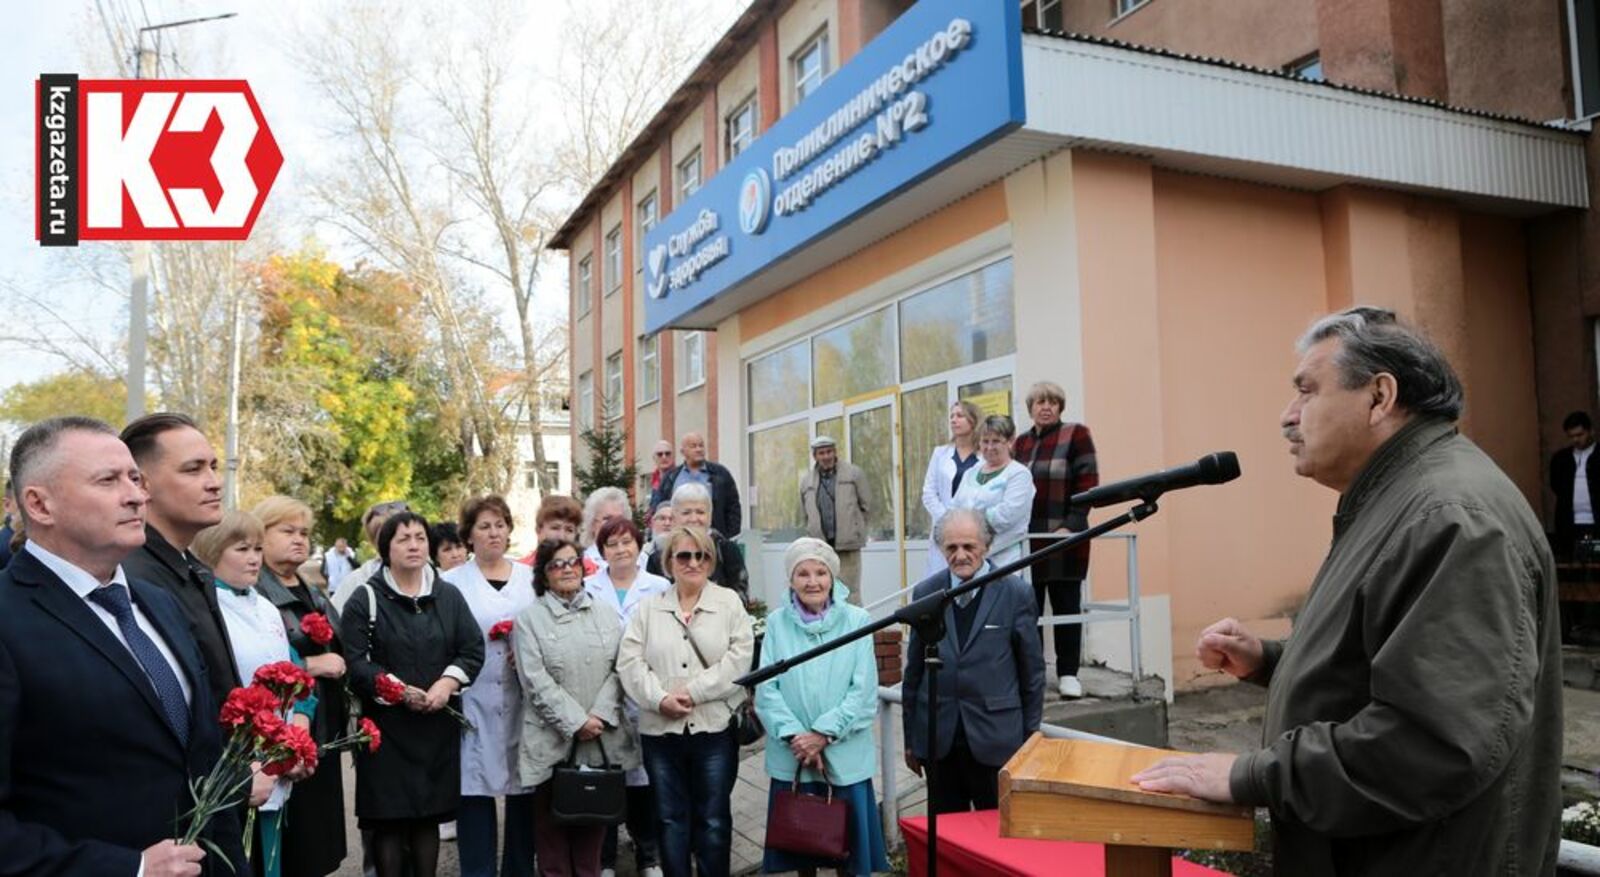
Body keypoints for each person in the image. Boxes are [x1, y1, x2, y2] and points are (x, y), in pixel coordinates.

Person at [1132, 307, 1562, 874]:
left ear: (1379, 397)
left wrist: (1251, 775)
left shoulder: (1451, 518)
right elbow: (1386, 660)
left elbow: (1431, 745)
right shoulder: (1399, 496)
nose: (1288, 417)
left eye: (1306, 392)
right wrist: (1273, 661)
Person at [0, 416, 244, 876]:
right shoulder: (8, 620)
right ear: (40, 504)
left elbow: (201, 761)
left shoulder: (158, 604)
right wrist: (128, 868)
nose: (136, 495)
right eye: (108, 480)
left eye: (135, 477)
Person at [341, 511, 486, 877]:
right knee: (389, 821)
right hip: (385, 730)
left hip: (434, 726)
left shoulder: (448, 596)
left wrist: (445, 685)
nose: (414, 545)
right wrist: (398, 690)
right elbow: (356, 662)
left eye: (420, 537)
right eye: (403, 538)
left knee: (427, 818)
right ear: (385, 548)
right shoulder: (366, 598)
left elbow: (471, 649)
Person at [618, 525, 754, 877]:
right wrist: (659, 698)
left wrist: (693, 692)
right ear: (669, 562)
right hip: (660, 733)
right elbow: (630, 663)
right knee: (669, 819)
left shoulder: (729, 604)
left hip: (713, 729)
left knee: (713, 820)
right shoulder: (648, 609)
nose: (693, 562)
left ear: (710, 560)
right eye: (684, 555)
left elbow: (738, 659)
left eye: (701, 555)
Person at [192, 510, 320, 877]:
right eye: (241, 548)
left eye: (258, 548)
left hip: (277, 762)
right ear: (212, 551)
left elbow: (295, 676)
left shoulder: (265, 606)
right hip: (235, 766)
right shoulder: (206, 609)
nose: (253, 558)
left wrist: (297, 733)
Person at [754, 539, 890, 877]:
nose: (812, 581)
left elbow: (862, 691)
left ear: (832, 577)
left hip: (843, 752)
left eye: (820, 572)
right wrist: (796, 737)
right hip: (794, 753)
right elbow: (766, 689)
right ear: (791, 579)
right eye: (802, 573)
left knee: (850, 852)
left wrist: (822, 733)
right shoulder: (776, 623)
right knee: (802, 844)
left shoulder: (857, 620)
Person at [515, 537, 644, 877]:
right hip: (551, 744)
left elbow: (622, 667)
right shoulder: (529, 619)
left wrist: (599, 715)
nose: (567, 568)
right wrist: (576, 721)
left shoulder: (604, 612)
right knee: (552, 845)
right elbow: (534, 681)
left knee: (592, 844)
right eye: (557, 564)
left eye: (573, 561)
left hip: (600, 742)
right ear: (544, 574)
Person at [902, 508, 1044, 814]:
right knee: (946, 841)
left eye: (969, 546)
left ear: (987, 546)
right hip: (939, 741)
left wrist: (1031, 738)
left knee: (995, 837)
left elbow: (1032, 673)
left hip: (996, 740)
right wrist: (910, 740)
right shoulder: (927, 593)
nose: (961, 555)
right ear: (942, 549)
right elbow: (913, 671)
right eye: (951, 548)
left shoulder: (1016, 593)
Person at [252, 495, 350, 877]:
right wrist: (312, 665)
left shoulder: (309, 585)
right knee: (292, 845)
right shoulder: (255, 587)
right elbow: (255, 658)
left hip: (322, 727)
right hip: (286, 729)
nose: (299, 539)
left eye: (305, 533)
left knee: (318, 842)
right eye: (287, 531)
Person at [441, 496, 538, 877]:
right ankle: (477, 870)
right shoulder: (451, 583)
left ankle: (519, 869)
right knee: (474, 789)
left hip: (523, 698)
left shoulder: (530, 579)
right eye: (484, 526)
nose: (493, 533)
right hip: (472, 698)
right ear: (469, 535)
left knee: (523, 790)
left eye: (500, 524)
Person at [119, 412, 240, 710]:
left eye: (213, 467)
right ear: (141, 485)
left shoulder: (188, 564)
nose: (214, 483)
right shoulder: (129, 577)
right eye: (192, 470)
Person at [582, 517, 671, 877]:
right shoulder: (588, 587)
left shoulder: (659, 586)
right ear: (601, 551)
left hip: (645, 694)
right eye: (612, 544)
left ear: (639, 545)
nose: (621, 550)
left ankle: (647, 856)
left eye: (627, 542)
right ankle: (603, 860)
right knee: (606, 778)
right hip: (600, 693)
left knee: (644, 782)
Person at [1012, 381, 1100, 699]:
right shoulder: (1019, 443)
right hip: (1027, 542)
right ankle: (1033, 672)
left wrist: (1072, 524)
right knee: (1028, 611)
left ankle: (1067, 674)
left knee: (1065, 608)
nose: (1046, 407)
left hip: (1064, 540)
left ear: (1060, 407)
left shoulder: (1076, 434)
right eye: (1039, 402)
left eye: (1052, 402)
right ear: (1031, 407)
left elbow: (1088, 482)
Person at [949, 415, 1036, 567]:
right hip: (970, 560)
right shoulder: (971, 473)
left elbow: (1006, 515)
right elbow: (954, 509)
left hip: (1005, 560)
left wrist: (968, 521)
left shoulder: (1019, 474)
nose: (989, 447)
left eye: (996, 441)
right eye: (985, 441)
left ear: (1010, 442)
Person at [644, 483, 748, 602]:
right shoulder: (659, 555)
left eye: (700, 512)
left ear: (709, 516)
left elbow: (740, 599)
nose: (694, 519)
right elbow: (653, 601)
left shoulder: (727, 551)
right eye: (686, 512)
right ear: (674, 517)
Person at [798, 436, 871, 605]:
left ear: (835, 452)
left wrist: (855, 529)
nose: (826, 456)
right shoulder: (806, 482)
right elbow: (805, 513)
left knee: (850, 592)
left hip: (848, 546)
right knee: (823, 592)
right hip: (820, 548)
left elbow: (867, 506)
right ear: (815, 456)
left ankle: (856, 629)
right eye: (821, 453)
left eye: (829, 451)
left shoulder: (854, 474)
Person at [920, 401, 982, 575]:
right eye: (952, 416)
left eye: (960, 416)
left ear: (973, 420)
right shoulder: (940, 453)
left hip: (972, 528)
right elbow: (929, 492)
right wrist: (946, 518)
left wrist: (965, 521)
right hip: (943, 526)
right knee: (940, 581)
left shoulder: (983, 456)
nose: (954, 420)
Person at [649, 433, 742, 538]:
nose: (698, 449)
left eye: (701, 445)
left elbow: (733, 507)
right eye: (693, 446)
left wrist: (729, 538)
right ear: (683, 452)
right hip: (679, 539)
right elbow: (661, 508)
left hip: (713, 539)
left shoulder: (720, 474)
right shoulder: (671, 478)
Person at [332, 500, 411, 612]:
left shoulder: (434, 580)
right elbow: (333, 623)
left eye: (405, 536)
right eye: (388, 535)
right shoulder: (356, 582)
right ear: (374, 541)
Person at [1552, 410, 1598, 561]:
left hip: (1595, 525)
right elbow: (1556, 486)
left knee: (1596, 561)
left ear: (1591, 431)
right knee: (1574, 566)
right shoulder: (1561, 459)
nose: (1576, 440)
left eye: (1580, 435)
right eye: (1571, 436)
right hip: (1570, 525)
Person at [518, 494, 583, 565]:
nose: (561, 537)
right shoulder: (521, 570)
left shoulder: (589, 570)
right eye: (555, 528)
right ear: (538, 531)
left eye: (569, 530)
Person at [581, 486, 632, 572]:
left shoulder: (641, 558)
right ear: (593, 524)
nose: (614, 524)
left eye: (620, 518)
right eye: (607, 519)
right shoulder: (582, 562)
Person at [648, 440, 676, 509]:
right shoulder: (654, 478)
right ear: (654, 458)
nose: (664, 457)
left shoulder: (678, 476)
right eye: (660, 454)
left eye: (667, 453)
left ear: (673, 456)